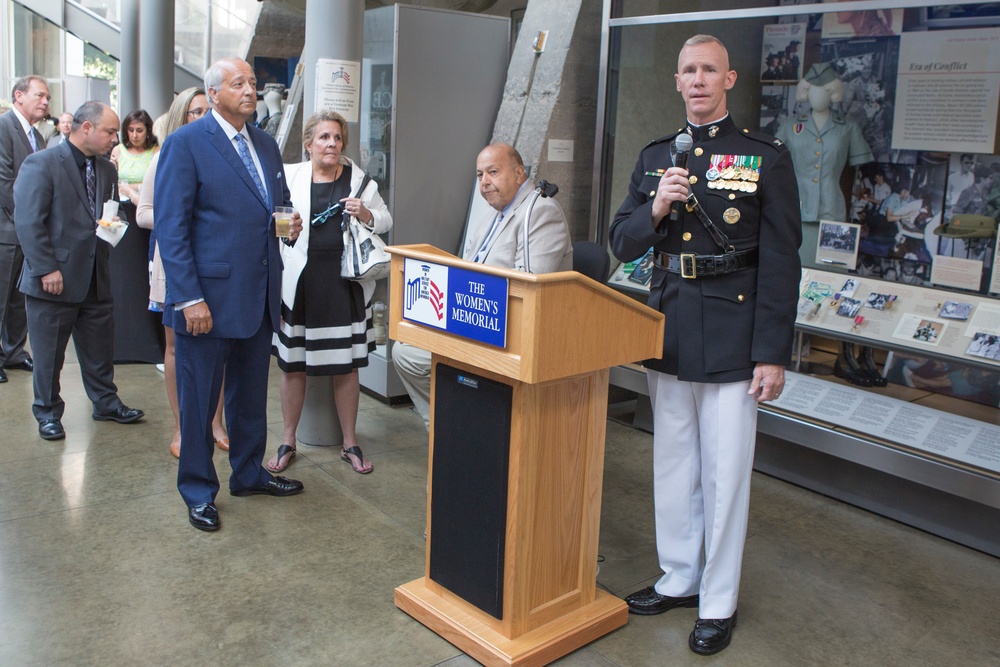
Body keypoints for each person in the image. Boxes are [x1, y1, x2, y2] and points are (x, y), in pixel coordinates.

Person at [609, 35, 801, 656]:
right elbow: (621, 242)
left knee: (723, 478)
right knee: (674, 465)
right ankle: (680, 576)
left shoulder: (764, 157)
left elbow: (780, 264)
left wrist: (771, 352)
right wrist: (656, 208)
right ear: (676, 81)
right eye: (688, 70)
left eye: (709, 70)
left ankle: (718, 601)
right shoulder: (655, 157)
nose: (697, 80)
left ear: (730, 79)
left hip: (733, 335)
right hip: (670, 327)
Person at [155, 57, 304, 532]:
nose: (250, 90)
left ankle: (248, 473)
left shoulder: (264, 144)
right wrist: (187, 297)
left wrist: (290, 224)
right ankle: (198, 489)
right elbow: (171, 229)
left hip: (258, 294)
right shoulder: (186, 145)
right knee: (200, 401)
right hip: (207, 300)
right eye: (238, 83)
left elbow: (276, 206)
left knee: (249, 394)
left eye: (253, 83)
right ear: (213, 92)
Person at [392, 142, 572, 429]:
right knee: (406, 352)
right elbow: (465, 270)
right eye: (479, 175)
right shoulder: (488, 216)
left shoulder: (540, 212)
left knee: (414, 356)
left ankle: (456, 428)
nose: (485, 182)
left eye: (493, 172)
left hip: (512, 331)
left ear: (518, 172)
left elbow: (531, 285)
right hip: (473, 318)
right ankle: (444, 426)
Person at [267, 111, 392, 475]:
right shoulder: (291, 175)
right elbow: (273, 222)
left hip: (343, 282)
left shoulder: (359, 180)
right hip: (300, 282)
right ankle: (288, 439)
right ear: (308, 145)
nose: (331, 145)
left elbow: (385, 220)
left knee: (347, 367)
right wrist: (284, 227)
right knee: (292, 366)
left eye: (337, 138)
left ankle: (349, 442)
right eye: (324, 138)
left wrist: (367, 213)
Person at [13, 101, 145, 440]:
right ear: (85, 128)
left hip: (95, 277)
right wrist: (46, 269)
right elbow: (28, 221)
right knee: (48, 357)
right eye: (110, 132)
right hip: (52, 280)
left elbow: (109, 212)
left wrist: (115, 224)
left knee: (100, 349)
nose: (115, 139)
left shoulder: (106, 169)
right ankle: (47, 412)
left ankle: (105, 403)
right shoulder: (40, 164)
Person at [136, 87, 228, 459]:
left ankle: (215, 423)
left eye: (208, 110)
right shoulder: (167, 155)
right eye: (195, 111)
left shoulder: (224, 155)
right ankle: (181, 426)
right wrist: (182, 220)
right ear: (180, 116)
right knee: (176, 348)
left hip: (216, 262)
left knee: (219, 344)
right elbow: (144, 212)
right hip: (173, 261)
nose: (203, 116)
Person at [775, 62, 872, 268]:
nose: (817, 96)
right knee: (792, 272)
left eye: (824, 91)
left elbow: (859, 165)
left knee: (835, 271)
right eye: (812, 91)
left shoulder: (847, 128)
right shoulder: (790, 127)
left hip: (833, 211)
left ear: (833, 93)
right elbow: (772, 163)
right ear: (805, 92)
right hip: (796, 211)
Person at [0, 76, 48, 384]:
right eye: (40, 95)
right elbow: (3, 181)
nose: (45, 101)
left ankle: (13, 351)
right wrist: (26, 220)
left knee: (19, 296)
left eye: (48, 97)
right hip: (7, 226)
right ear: (19, 96)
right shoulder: (4, 126)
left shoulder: (39, 137)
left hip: (29, 231)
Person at [110, 109, 158, 213]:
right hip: (122, 208)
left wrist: (130, 188)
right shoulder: (118, 150)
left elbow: (157, 182)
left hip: (147, 207)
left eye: (139, 131)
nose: (134, 135)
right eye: (131, 130)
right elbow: (111, 182)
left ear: (148, 131)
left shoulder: (156, 151)